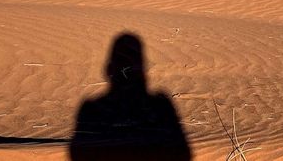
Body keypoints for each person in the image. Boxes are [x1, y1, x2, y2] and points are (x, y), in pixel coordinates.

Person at [69, 33, 192, 161]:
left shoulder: (93, 110)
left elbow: (78, 153)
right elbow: (182, 153)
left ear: (109, 70)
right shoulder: (160, 108)